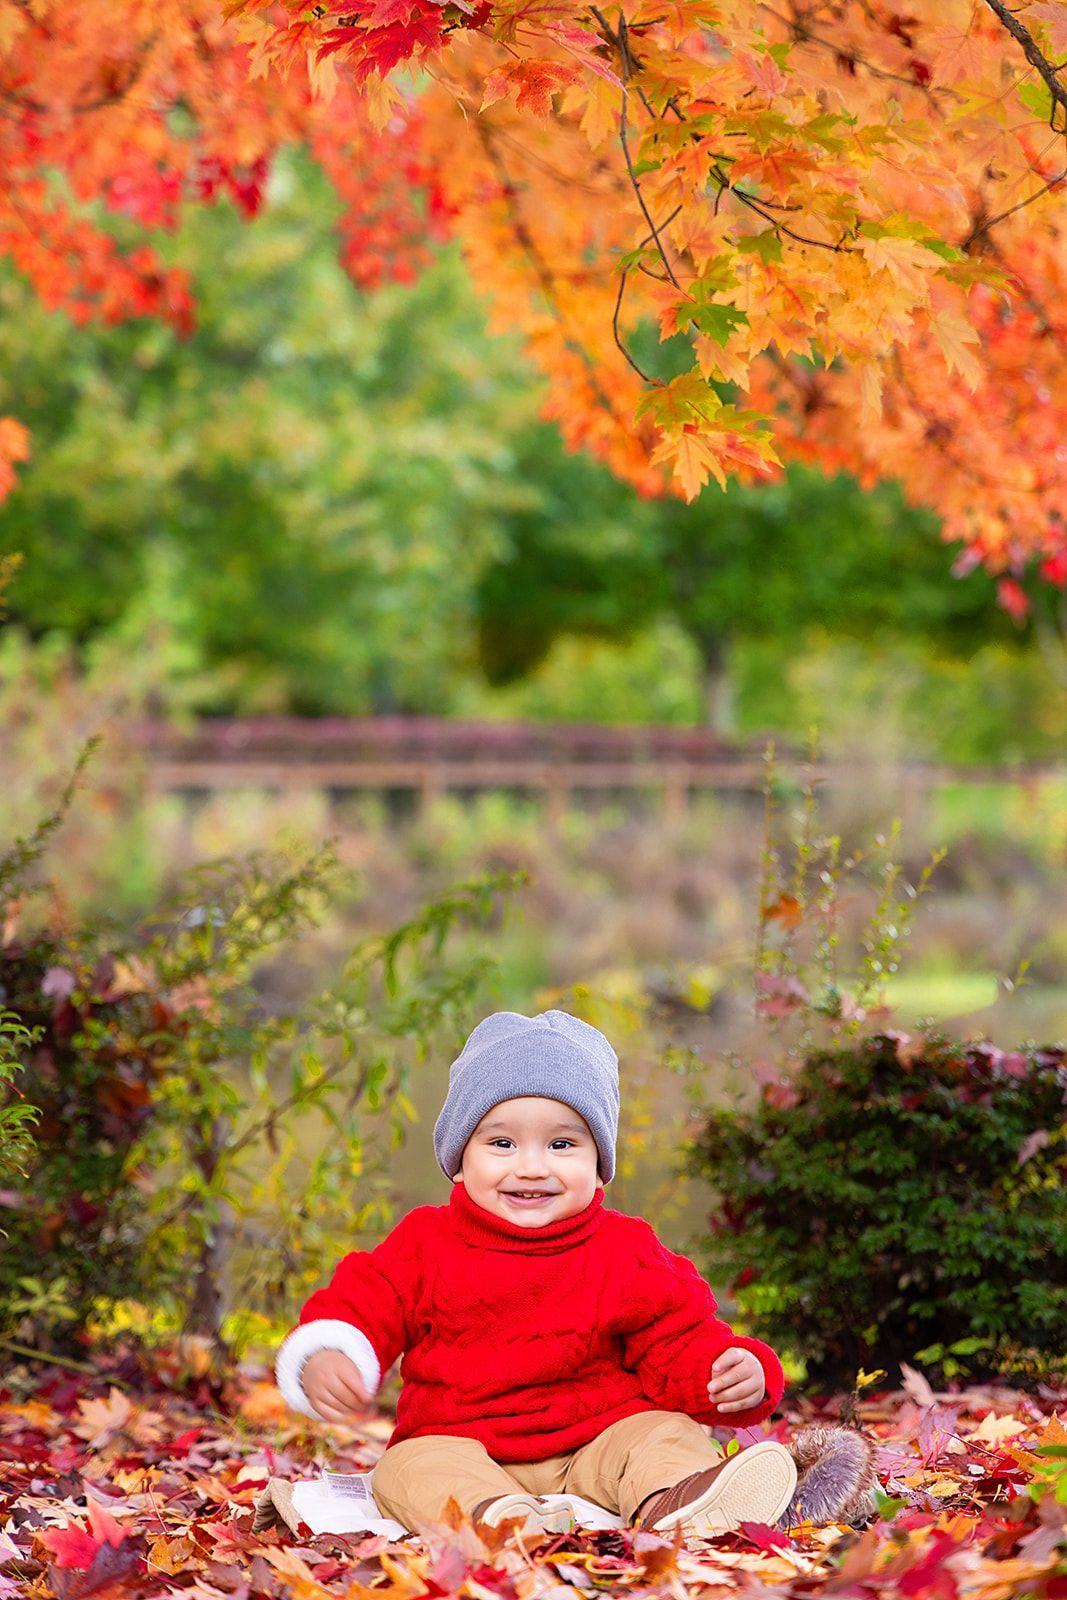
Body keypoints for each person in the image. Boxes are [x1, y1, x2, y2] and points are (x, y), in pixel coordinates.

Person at [276, 1009, 797, 1537]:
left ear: (599, 1166)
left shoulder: (625, 1249)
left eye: (562, 1144)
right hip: (461, 1443)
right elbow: (366, 1301)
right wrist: (330, 1352)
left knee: (661, 1433)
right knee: (408, 1467)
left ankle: (676, 1500)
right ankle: (494, 1519)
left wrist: (728, 1374)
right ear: (459, 1159)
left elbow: (676, 1338)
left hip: (597, 1439)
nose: (531, 1166)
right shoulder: (426, 1242)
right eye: (502, 1143)